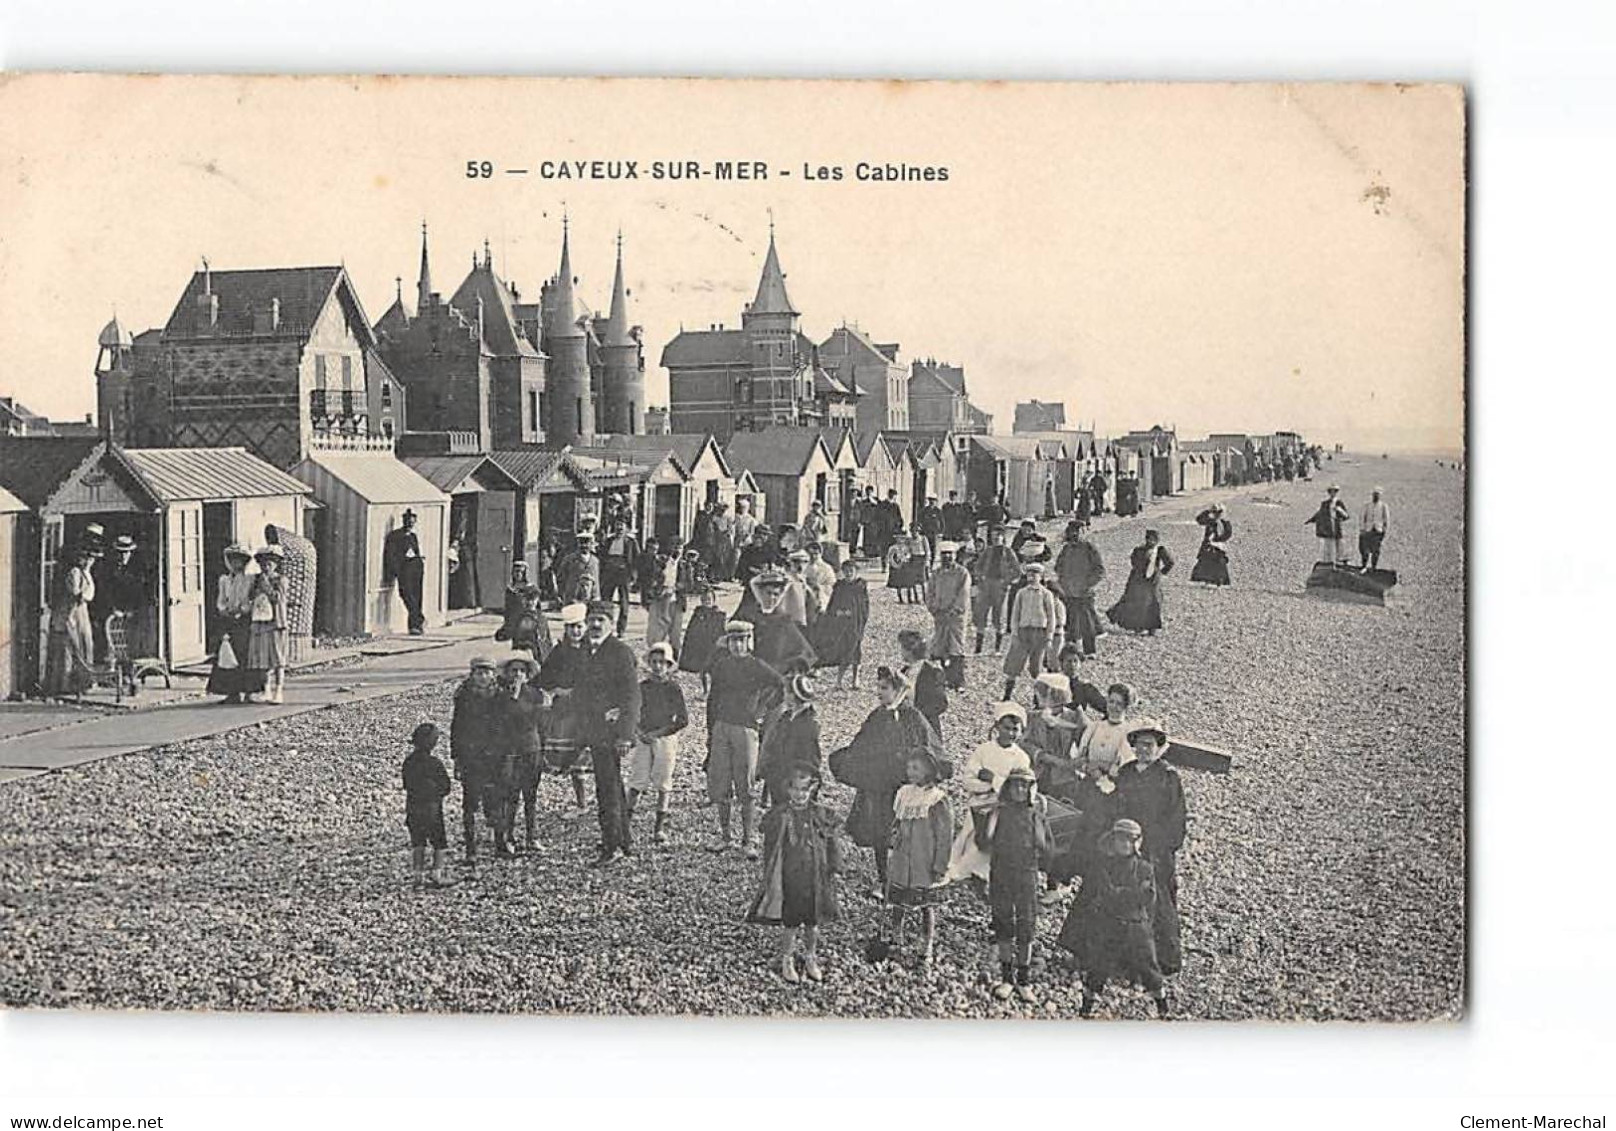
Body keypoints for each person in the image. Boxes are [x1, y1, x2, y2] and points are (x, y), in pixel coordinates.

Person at [829, 666, 946, 898]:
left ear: (898, 690)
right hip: (879, 784)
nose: (879, 692)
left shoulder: (913, 717)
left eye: (884, 688)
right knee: (880, 830)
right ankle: (883, 879)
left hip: (905, 785)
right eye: (878, 687)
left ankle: (907, 879)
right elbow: (860, 744)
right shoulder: (877, 716)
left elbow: (926, 748)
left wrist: (909, 762)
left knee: (906, 831)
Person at [1057, 817, 1171, 1018]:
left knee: (1149, 966)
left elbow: (1147, 897)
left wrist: (1121, 894)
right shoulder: (1105, 866)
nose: (1123, 845)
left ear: (1136, 843)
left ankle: (1163, 1007)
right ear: (1112, 841)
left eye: (1128, 840)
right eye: (1119, 840)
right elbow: (1106, 892)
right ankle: (1087, 1007)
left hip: (1137, 927)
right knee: (1099, 966)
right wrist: (1130, 894)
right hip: (1109, 923)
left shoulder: (1145, 868)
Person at [747, 764, 843, 984]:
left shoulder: (820, 814)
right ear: (787, 790)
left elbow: (832, 842)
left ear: (813, 789)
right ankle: (787, 958)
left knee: (812, 921)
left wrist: (835, 867)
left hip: (815, 876)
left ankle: (810, 956)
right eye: (795, 789)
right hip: (790, 876)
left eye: (804, 790)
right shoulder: (781, 814)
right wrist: (770, 871)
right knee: (790, 921)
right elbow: (770, 843)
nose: (800, 795)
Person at [705, 620, 785, 858]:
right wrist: (710, 731)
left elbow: (779, 685)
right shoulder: (721, 666)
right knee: (721, 783)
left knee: (746, 785)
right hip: (722, 727)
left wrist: (762, 710)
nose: (737, 645)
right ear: (727, 643)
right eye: (733, 640)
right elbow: (713, 698)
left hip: (746, 730)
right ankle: (725, 836)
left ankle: (748, 840)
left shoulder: (756, 666)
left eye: (742, 640)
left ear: (749, 641)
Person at [1114, 718, 1186, 979]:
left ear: (1158, 747)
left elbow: (1176, 820)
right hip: (1125, 846)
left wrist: (1157, 847)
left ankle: (1160, 960)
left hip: (1155, 850)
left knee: (1157, 903)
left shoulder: (1168, 777)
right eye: (1140, 745)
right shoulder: (1127, 772)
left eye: (1150, 745)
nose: (1144, 749)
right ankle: (1118, 958)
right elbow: (1116, 808)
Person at [574, 601, 642, 866]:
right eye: (591, 619)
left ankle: (611, 846)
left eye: (601, 619)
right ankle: (622, 839)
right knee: (612, 783)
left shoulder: (620, 652)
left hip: (612, 732)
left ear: (611, 624)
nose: (595, 624)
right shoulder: (585, 650)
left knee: (608, 788)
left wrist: (626, 734)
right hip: (593, 728)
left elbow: (632, 696)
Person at [985, 767, 1052, 1002]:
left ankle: (1024, 981)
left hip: (1026, 875)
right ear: (1008, 788)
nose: (1020, 790)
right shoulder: (999, 812)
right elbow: (984, 841)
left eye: (1025, 786)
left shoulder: (1036, 814)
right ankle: (1006, 978)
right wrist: (992, 817)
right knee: (1003, 922)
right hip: (1001, 873)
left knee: (1026, 924)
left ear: (1031, 790)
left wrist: (1040, 822)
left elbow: (1046, 849)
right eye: (1015, 785)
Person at [882, 749, 953, 972]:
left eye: (916, 768)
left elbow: (945, 836)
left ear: (929, 771)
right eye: (909, 768)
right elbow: (897, 821)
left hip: (925, 858)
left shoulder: (937, 800)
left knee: (925, 905)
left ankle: (926, 944)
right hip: (903, 856)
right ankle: (896, 934)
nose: (910, 772)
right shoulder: (904, 793)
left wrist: (940, 864)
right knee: (898, 900)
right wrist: (893, 835)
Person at [947, 701, 1033, 885]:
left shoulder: (1021, 758)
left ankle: (985, 874)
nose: (1010, 733)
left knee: (992, 839)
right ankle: (968, 870)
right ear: (997, 727)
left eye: (1015, 730)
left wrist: (994, 779)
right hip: (979, 802)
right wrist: (987, 785)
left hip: (1003, 808)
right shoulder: (984, 750)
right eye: (1006, 728)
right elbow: (969, 779)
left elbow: (1018, 788)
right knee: (972, 837)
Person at [537, 603, 593, 820]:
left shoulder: (593, 650)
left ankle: (607, 800)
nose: (576, 632)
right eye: (571, 628)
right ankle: (581, 802)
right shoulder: (559, 651)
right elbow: (545, 677)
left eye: (579, 627)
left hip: (588, 709)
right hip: (565, 710)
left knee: (593, 755)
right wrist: (556, 689)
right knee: (571, 756)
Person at [630, 642, 688, 847]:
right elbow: (632, 712)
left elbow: (682, 720)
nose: (657, 667)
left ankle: (659, 827)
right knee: (637, 779)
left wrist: (658, 733)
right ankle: (625, 825)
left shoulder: (673, 688)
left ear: (668, 665)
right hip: (643, 737)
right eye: (654, 662)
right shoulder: (641, 688)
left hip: (664, 738)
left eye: (661, 663)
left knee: (663, 782)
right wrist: (638, 732)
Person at [493, 654, 548, 855]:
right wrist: (513, 698)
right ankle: (509, 836)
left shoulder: (535, 694)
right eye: (513, 670)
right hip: (511, 750)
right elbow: (503, 719)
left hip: (531, 747)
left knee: (531, 795)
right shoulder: (500, 696)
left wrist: (544, 748)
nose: (517, 674)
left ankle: (532, 836)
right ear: (507, 674)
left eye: (521, 671)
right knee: (511, 795)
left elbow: (540, 722)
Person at [450, 656, 500, 864]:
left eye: (487, 672)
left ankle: (498, 840)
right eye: (479, 673)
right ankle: (471, 847)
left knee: (495, 798)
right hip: (471, 755)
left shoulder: (499, 695)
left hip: (494, 754)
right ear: (472, 675)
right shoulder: (464, 696)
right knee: (470, 802)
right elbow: (457, 728)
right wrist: (457, 757)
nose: (483, 677)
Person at [206, 543, 263, 704]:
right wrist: (224, 610)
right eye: (233, 560)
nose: (236, 564)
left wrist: (243, 609)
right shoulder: (224, 580)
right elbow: (221, 600)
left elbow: (254, 599)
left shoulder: (250, 579)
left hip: (245, 620)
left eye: (239, 560)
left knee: (246, 655)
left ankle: (250, 692)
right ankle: (232, 692)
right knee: (228, 656)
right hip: (228, 620)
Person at [757, 671, 822, 808]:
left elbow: (810, 758)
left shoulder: (808, 724)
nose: (784, 696)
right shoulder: (786, 717)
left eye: (786, 692)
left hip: (795, 780)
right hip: (779, 774)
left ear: (793, 696)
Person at [44, 541, 100, 699]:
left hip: (83, 610)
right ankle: (68, 683)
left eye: (91, 559)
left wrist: (85, 596)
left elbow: (90, 594)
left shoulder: (87, 573)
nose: (89, 561)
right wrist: (82, 596)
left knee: (86, 643)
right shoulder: (74, 572)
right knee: (73, 646)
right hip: (72, 610)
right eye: (86, 558)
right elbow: (76, 592)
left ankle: (85, 681)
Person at [401, 722, 454, 890]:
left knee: (418, 842)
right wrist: (437, 793)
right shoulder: (435, 763)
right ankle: (436, 874)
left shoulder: (408, 762)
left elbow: (406, 784)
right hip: (432, 808)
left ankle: (418, 876)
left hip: (413, 806)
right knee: (439, 842)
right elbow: (446, 786)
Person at [1002, 561, 1059, 701]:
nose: (1032, 577)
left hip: (1039, 633)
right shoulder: (1021, 593)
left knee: (1036, 666)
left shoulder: (1046, 594)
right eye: (1029, 574)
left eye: (1035, 574)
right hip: (1023, 632)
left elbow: (1051, 616)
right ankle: (1007, 695)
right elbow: (1015, 614)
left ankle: (1038, 698)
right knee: (1014, 664)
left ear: (1041, 576)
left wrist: (1049, 636)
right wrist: (1014, 633)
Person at [1106, 529, 1174, 636]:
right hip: (1137, 580)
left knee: (1153, 603)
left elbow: (1170, 562)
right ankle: (1137, 625)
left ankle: (1152, 627)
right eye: (1148, 539)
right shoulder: (1139, 550)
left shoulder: (1160, 550)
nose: (1150, 541)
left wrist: (1160, 573)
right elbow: (1133, 561)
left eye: (1153, 539)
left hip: (1152, 581)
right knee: (1135, 602)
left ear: (1157, 540)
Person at [815, 557, 869, 689]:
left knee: (856, 651)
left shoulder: (860, 586)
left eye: (851, 571)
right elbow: (833, 604)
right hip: (841, 624)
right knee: (844, 651)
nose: (849, 573)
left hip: (855, 623)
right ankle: (839, 681)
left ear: (856, 572)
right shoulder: (840, 587)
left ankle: (856, 680)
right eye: (846, 571)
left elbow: (864, 605)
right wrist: (837, 614)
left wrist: (861, 619)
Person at [924, 540, 971, 691]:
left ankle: (958, 681)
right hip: (940, 616)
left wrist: (954, 610)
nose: (947, 557)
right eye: (944, 554)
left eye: (950, 554)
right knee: (940, 646)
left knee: (956, 647)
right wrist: (934, 609)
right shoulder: (936, 574)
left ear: (955, 555)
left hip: (956, 617)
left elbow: (963, 595)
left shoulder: (962, 573)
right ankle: (944, 678)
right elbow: (930, 593)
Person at [1054, 520, 1105, 657]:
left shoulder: (1089, 549)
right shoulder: (1066, 549)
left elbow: (1099, 570)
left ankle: (1090, 651)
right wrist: (1063, 583)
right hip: (1069, 591)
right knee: (1070, 621)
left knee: (1087, 622)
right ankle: (1071, 651)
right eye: (1072, 532)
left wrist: (1088, 584)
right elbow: (1058, 567)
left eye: (1078, 532)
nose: (1075, 535)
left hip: (1084, 592)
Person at [248, 545, 289, 705]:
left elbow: (278, 598)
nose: (266, 566)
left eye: (270, 563)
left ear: (276, 564)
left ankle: (278, 690)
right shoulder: (257, 579)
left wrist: (266, 586)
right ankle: (266, 689)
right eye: (263, 563)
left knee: (277, 659)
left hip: (276, 622)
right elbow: (251, 596)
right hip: (260, 621)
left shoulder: (281, 580)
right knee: (262, 659)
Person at [971, 525, 1017, 655]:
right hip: (986, 585)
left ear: (1003, 537)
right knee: (982, 615)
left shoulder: (1008, 552)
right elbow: (977, 567)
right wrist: (981, 578)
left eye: (998, 536)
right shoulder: (987, 551)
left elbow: (1017, 571)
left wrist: (1006, 581)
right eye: (993, 536)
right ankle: (978, 649)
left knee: (998, 616)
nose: (996, 538)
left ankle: (997, 649)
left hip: (1000, 587)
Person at [1075, 683, 1136, 779]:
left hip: (1113, 784)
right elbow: (1080, 758)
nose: (1114, 707)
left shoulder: (1128, 732)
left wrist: (1100, 766)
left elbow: (1124, 766)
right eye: (1111, 701)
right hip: (1088, 780)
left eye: (1119, 704)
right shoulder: (1094, 727)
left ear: (1126, 707)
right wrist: (1088, 768)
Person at [381, 509, 427, 635]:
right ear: (403, 521)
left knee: (417, 596)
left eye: (412, 523)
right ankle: (419, 618)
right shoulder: (395, 536)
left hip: (416, 568)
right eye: (408, 522)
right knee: (406, 594)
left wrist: (419, 561)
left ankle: (414, 626)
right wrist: (394, 571)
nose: (410, 525)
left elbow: (416, 551)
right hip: (404, 569)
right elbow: (390, 555)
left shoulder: (413, 536)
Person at [897, 629, 948, 740]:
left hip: (926, 730)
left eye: (902, 648)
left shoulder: (932, 673)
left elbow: (941, 703)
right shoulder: (904, 671)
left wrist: (919, 714)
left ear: (909, 651)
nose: (900, 651)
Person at [496, 561, 552, 660]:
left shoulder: (531, 588)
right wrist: (507, 623)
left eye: (520, 572)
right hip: (515, 619)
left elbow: (538, 608)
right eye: (516, 572)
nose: (518, 575)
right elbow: (508, 608)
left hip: (530, 619)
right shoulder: (511, 589)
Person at [678, 584, 726, 693]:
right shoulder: (698, 613)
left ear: (714, 600)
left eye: (709, 599)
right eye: (704, 599)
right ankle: (705, 690)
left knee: (714, 670)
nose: (707, 601)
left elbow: (722, 631)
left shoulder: (719, 615)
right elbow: (691, 631)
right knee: (703, 670)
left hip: (713, 646)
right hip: (701, 646)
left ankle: (715, 689)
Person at [598, 519, 640, 636]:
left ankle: (621, 630)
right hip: (609, 573)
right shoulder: (609, 541)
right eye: (617, 525)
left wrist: (634, 575)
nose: (619, 528)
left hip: (624, 573)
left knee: (624, 602)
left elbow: (637, 560)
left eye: (622, 526)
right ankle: (606, 628)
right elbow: (602, 556)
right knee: (606, 601)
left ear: (626, 528)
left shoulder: (631, 542)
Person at [641, 537, 683, 655]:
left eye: (680, 548)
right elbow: (650, 578)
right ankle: (656, 655)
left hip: (676, 601)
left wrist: (676, 587)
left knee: (675, 634)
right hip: (659, 600)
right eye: (674, 547)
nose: (677, 550)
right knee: (656, 632)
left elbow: (689, 583)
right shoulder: (661, 562)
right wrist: (657, 588)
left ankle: (674, 659)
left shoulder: (685, 565)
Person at [1306, 486, 1351, 566]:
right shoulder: (1325, 503)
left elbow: (1346, 516)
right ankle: (1328, 562)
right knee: (1328, 545)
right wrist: (1311, 520)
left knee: (1340, 543)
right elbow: (1319, 513)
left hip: (1337, 526)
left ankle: (1341, 561)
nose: (1333, 494)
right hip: (1328, 527)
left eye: (1334, 492)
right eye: (1331, 492)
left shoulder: (1339, 503)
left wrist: (1339, 510)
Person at [1191, 504, 1233, 586]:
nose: (1217, 514)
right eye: (1215, 512)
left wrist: (1218, 540)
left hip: (1219, 546)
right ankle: (1206, 580)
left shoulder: (1225, 523)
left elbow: (1228, 534)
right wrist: (1208, 511)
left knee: (1219, 564)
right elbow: (1199, 520)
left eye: (1219, 512)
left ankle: (1219, 581)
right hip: (1208, 546)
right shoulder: (1210, 521)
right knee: (1205, 562)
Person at [555, 532, 600, 605]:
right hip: (572, 598)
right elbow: (561, 578)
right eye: (581, 543)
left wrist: (596, 596)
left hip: (591, 599)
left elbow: (597, 580)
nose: (584, 546)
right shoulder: (569, 559)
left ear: (591, 545)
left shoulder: (595, 561)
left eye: (587, 543)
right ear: (578, 544)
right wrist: (562, 593)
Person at [802, 540, 837, 614]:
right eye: (810, 554)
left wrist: (820, 587)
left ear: (820, 554)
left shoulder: (826, 568)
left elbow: (832, 584)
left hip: (821, 597)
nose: (813, 557)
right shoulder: (803, 566)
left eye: (816, 554)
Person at [1359, 486, 1390, 569]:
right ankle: (1364, 565)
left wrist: (1384, 530)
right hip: (1368, 530)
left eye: (1378, 494)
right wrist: (1362, 529)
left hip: (1377, 531)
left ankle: (1374, 567)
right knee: (1365, 550)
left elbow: (1386, 519)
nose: (1376, 496)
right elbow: (1362, 517)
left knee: (1376, 550)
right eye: (1374, 494)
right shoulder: (1367, 505)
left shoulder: (1383, 506)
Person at [917, 496, 944, 564]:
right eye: (931, 501)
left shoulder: (938, 511)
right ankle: (925, 564)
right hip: (925, 533)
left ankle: (931, 565)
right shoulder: (924, 511)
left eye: (934, 501)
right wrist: (920, 530)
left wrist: (941, 532)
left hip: (934, 534)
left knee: (933, 550)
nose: (932, 502)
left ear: (936, 502)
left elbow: (942, 523)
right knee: (925, 549)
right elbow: (919, 521)